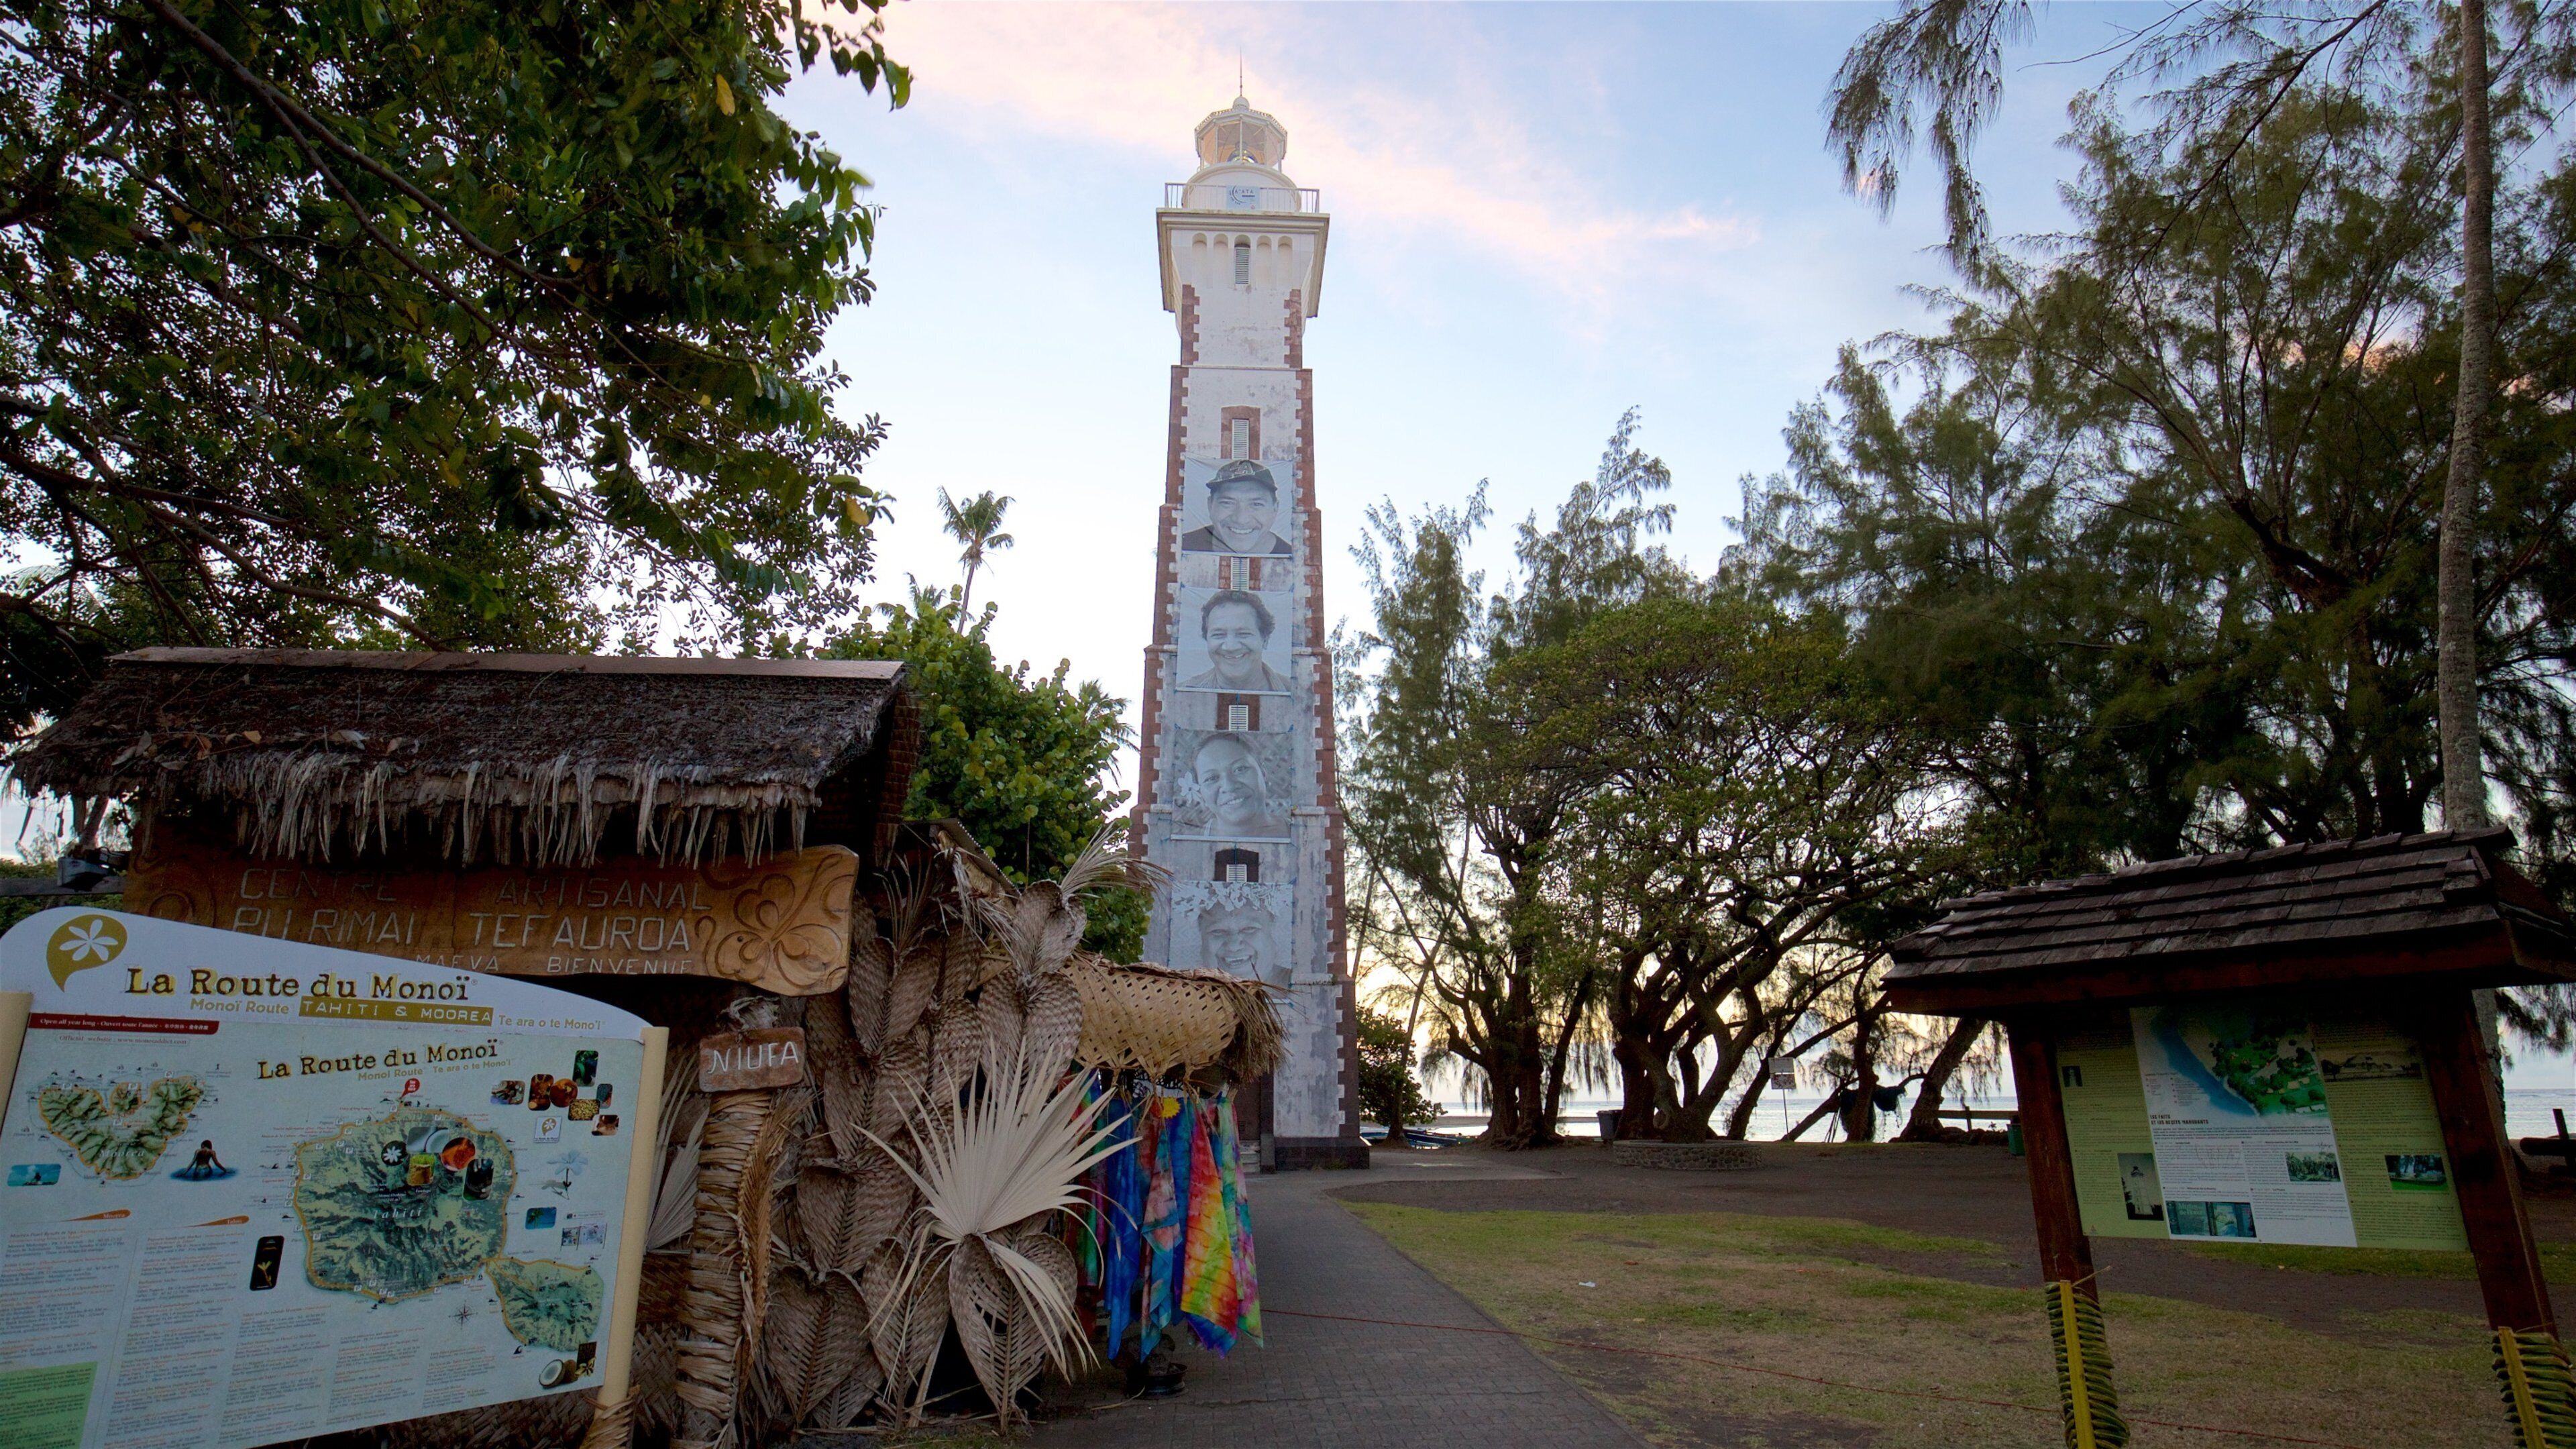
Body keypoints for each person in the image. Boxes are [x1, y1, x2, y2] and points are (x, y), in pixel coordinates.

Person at [1182, 590, 1291, 692]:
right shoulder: (1183, 692)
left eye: (1243, 634)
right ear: (1207, 639)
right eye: (1219, 635)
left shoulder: (1298, 692)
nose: (1231, 647)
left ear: (1265, 639)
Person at [1180, 460, 1293, 555]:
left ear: (1275, 509)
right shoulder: (1181, 547)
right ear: (1210, 505)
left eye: (1256, 504)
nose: (1241, 519)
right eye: (1227, 503)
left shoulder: (1295, 559)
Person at [1188, 733, 1289, 838]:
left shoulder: (1301, 835)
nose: (1229, 786)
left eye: (1240, 769)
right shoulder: (1188, 844)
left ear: (1263, 773)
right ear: (1200, 794)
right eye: (1212, 778)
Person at [1197, 896, 1283, 985]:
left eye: (1249, 929)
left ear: (1273, 930)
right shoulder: (1184, 990)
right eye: (1217, 931)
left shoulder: (1296, 986)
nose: (1233, 947)